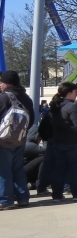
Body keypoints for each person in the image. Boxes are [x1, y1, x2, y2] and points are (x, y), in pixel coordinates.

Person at [45, 82, 77, 201]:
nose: (76, 94)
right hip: (74, 141)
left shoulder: (55, 106)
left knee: (60, 168)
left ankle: (57, 195)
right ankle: (76, 193)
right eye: (75, 92)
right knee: (75, 168)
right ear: (70, 93)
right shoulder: (72, 107)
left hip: (58, 141)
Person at [0, 70, 35, 210]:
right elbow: (31, 119)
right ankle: (23, 197)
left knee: (4, 169)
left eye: (1, 82)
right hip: (21, 138)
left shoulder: (4, 97)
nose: (0, 85)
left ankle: (5, 200)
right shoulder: (26, 98)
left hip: (4, 139)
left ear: (8, 83)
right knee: (18, 168)